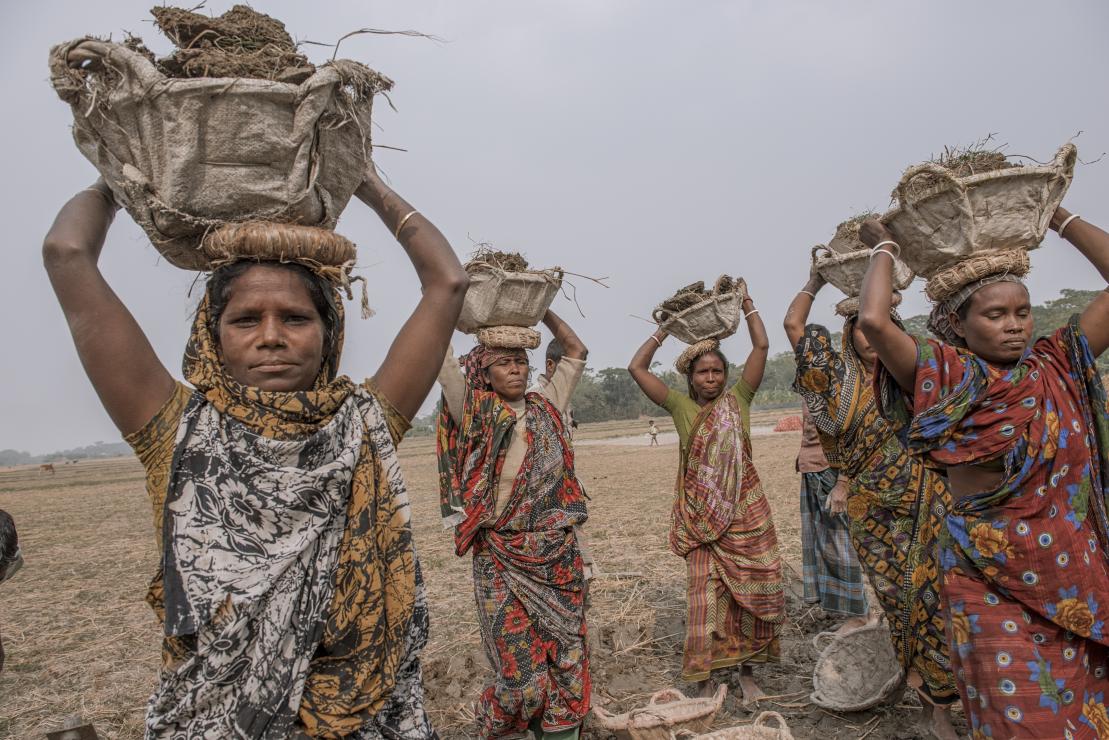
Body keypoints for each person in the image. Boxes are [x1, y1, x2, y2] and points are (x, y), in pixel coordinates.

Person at [44, 148, 467, 734]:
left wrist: (362, 177)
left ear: (329, 332)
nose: (271, 337)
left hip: (360, 717)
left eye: (296, 318)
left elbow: (447, 282)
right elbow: (66, 253)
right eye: (245, 320)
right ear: (213, 335)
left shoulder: (363, 423)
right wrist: (121, 170)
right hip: (214, 717)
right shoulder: (174, 426)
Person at [856, 208, 1109, 738]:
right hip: (985, 576)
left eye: (1022, 311)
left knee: (1083, 713)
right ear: (957, 325)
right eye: (995, 315)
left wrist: (1056, 216)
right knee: (1018, 719)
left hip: (1071, 579)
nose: (1014, 324)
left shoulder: (1055, 366)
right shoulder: (946, 377)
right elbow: (875, 322)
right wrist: (884, 248)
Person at [783, 271, 959, 737]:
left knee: (944, 600)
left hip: (928, 501)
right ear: (849, 335)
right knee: (902, 607)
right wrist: (816, 279)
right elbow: (796, 331)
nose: (868, 336)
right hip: (872, 511)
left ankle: (960, 698)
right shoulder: (838, 391)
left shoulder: (918, 374)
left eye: (874, 325)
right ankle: (933, 708)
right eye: (859, 328)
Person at [436, 311, 590, 739]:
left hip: (556, 558)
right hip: (499, 559)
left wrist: (542, 311)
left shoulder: (549, 405)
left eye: (521, 361)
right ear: (484, 370)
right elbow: (441, 356)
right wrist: (456, 308)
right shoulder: (473, 410)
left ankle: (559, 734)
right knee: (521, 680)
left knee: (568, 663)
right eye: (504, 362)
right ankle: (502, 725)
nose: (516, 369)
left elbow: (576, 350)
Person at [627, 291, 783, 703]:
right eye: (702, 372)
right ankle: (706, 679)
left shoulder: (740, 400)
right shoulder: (679, 407)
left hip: (746, 516)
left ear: (725, 375)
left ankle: (748, 675)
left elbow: (762, 346)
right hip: (700, 522)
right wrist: (665, 329)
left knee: (749, 596)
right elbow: (636, 367)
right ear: (690, 377)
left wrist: (749, 305)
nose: (711, 379)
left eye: (717, 371)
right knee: (703, 601)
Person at [794, 408, 871, 634]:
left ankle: (861, 616)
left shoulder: (834, 375)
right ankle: (852, 613)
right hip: (814, 468)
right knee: (825, 546)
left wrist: (843, 483)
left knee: (840, 545)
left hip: (829, 472)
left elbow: (852, 431)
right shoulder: (809, 375)